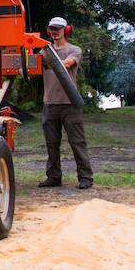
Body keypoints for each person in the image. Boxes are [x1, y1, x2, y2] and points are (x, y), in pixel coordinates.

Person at [39, 16, 94, 190]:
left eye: (58, 28)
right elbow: (29, 65)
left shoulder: (74, 50)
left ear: (66, 30)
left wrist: (46, 57)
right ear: (49, 31)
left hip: (70, 105)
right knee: (51, 144)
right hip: (50, 104)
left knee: (77, 142)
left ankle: (86, 177)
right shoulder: (44, 52)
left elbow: (66, 64)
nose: (55, 32)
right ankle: (53, 177)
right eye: (52, 29)